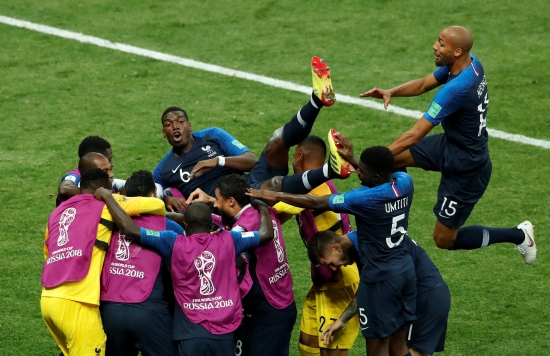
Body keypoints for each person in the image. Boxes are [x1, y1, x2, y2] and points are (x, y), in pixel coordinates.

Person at [359, 25, 536, 263]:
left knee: (444, 239)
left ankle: (519, 235)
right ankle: (391, 225)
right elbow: (423, 84)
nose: (434, 46)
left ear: (457, 51)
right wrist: (391, 91)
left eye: (442, 43)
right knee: (393, 161)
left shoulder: (456, 89)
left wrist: (370, 163)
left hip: (467, 166)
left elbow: (414, 135)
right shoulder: (471, 64)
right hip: (450, 144)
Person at [247, 146, 417, 356]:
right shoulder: (404, 183)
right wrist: (354, 160)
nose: (356, 173)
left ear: (299, 156)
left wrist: (271, 195)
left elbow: (313, 203)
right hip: (403, 270)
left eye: (360, 170)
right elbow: (387, 174)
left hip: (373, 278)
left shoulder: (364, 197)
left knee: (376, 348)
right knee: (398, 348)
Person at [93, 188, 275, 356]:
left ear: (185, 224)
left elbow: (129, 229)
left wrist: (109, 197)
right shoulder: (230, 239)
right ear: (211, 223)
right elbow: (266, 233)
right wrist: (262, 207)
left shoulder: (172, 242)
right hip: (224, 331)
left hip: (189, 332)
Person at [154, 56, 350, 212]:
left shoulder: (212, 135)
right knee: (274, 184)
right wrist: (166, 198)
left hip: (248, 180)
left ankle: (317, 100)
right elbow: (150, 191)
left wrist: (218, 161)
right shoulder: (164, 168)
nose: (176, 127)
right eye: (169, 124)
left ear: (189, 125)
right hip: (230, 203)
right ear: (164, 133)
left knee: (277, 139)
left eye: (180, 122)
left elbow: (250, 160)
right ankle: (332, 171)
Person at [41, 169, 165, 356]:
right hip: (78, 302)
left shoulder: (57, 212)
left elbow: (47, 252)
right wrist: (108, 197)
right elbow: (155, 204)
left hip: (48, 301)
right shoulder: (104, 205)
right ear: (103, 189)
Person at [186, 173, 297, 356]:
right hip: (282, 299)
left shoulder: (245, 226)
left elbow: (227, 242)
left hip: (267, 308)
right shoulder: (261, 210)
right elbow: (234, 221)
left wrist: (194, 224)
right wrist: (211, 205)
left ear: (231, 201)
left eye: (218, 200)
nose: (215, 204)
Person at [273, 136, 360, 356]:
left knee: (329, 352)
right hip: (323, 280)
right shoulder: (320, 185)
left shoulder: (313, 190)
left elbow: (271, 214)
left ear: (298, 156)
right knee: (308, 346)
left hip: (339, 279)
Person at [311, 230, 450, 356]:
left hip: (425, 298)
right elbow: (367, 288)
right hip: (419, 295)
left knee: (405, 351)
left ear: (335, 248)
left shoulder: (370, 247)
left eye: (330, 263)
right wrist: (341, 321)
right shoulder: (361, 243)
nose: (334, 269)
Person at [99, 170, 180, 356]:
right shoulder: (169, 227)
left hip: (110, 311)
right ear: (153, 196)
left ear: (125, 197)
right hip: (149, 311)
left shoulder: (108, 223)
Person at [56, 136, 115, 206]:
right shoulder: (75, 175)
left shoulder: (104, 175)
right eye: (109, 159)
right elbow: (65, 188)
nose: (111, 164)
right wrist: (99, 195)